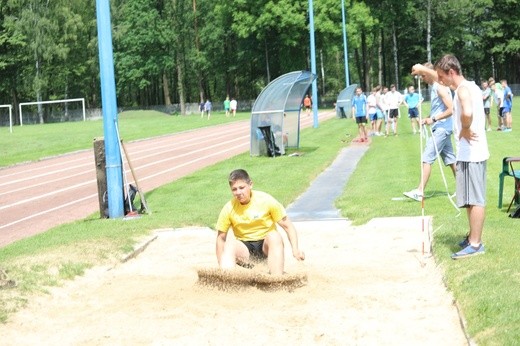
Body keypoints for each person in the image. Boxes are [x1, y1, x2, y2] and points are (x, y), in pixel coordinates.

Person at [415, 54, 489, 259]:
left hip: (473, 153)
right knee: (468, 199)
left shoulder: (464, 90)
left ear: (452, 73)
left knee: (475, 200)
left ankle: (475, 244)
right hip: (468, 153)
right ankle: (471, 237)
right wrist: (422, 69)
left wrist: (465, 127)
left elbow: (466, 111)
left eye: (442, 76)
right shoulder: (467, 86)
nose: (440, 81)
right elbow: (439, 78)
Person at [215, 169, 305, 275]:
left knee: (275, 236)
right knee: (230, 244)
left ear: (250, 185)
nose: (238, 192)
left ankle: (276, 279)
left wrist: (295, 250)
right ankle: (226, 280)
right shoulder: (228, 207)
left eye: (242, 187)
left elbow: (287, 226)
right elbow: (220, 239)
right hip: (245, 251)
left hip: (266, 248)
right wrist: (221, 265)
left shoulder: (266, 200)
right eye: (234, 189)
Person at [405, 62, 456, 202]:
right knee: (452, 161)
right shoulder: (435, 87)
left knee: (426, 158)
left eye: (423, 76)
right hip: (442, 128)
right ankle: (464, 189)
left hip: (441, 129)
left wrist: (433, 119)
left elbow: (451, 109)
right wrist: (427, 118)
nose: (422, 79)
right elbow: (439, 109)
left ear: (429, 73)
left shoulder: (440, 87)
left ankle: (420, 191)